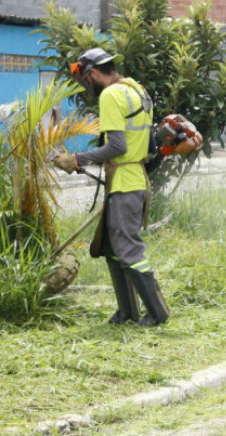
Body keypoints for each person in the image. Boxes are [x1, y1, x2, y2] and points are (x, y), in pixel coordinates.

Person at [52, 47, 170, 327]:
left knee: (128, 250)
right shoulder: (136, 90)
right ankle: (127, 312)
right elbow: (150, 145)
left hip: (126, 185)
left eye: (85, 80)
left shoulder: (110, 95)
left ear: (92, 73)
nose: (86, 86)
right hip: (130, 180)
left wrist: (77, 159)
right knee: (112, 248)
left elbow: (117, 146)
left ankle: (157, 313)